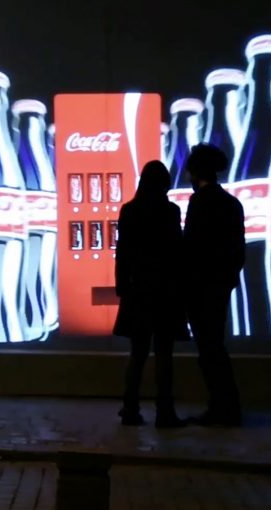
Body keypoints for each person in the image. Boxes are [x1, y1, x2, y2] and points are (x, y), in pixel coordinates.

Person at [113, 160, 187, 428]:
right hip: (166, 291)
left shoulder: (129, 211)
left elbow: (122, 254)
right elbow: (177, 253)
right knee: (164, 355)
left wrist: (122, 285)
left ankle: (130, 407)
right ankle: (165, 412)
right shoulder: (171, 211)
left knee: (138, 353)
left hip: (138, 290)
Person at [183, 144, 245, 427]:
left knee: (208, 349)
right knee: (216, 345)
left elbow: (191, 248)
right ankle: (227, 405)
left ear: (196, 172)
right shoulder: (232, 204)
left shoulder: (199, 203)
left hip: (199, 287)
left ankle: (221, 408)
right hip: (221, 285)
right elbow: (237, 251)